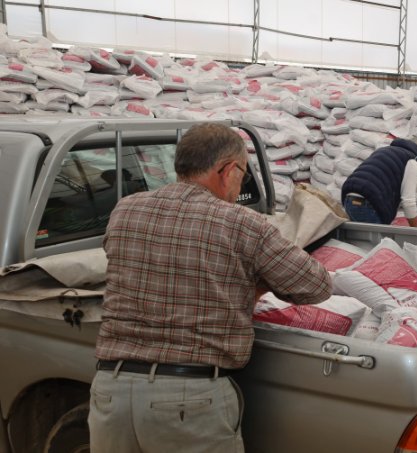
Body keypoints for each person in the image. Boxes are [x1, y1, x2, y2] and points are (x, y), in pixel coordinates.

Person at [89, 123, 332, 453]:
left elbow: (130, 265)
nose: (239, 185)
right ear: (228, 170)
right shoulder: (241, 223)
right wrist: (254, 284)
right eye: (243, 176)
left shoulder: (125, 209)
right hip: (190, 401)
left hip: (109, 393)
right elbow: (316, 285)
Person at [340, 136, 417, 226]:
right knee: (378, 240)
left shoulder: (384, 150)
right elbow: (408, 201)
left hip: (349, 199)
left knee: (359, 239)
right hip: (368, 203)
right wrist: (415, 228)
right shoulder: (411, 161)